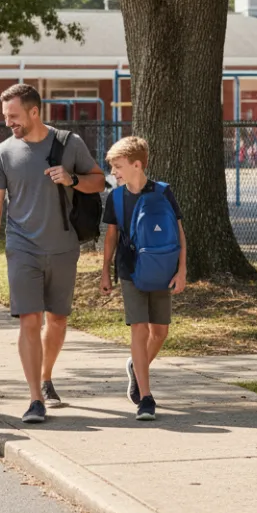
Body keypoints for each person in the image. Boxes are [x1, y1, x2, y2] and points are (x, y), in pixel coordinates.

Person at [0, 84, 106, 424]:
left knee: (58, 320)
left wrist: (72, 178)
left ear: (34, 112)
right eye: (6, 116)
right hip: (22, 248)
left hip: (64, 247)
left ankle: (46, 376)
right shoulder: (4, 153)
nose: (9, 123)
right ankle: (35, 398)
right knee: (30, 319)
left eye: (14, 116)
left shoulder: (69, 143)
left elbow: (99, 180)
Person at [100, 136, 187, 421]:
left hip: (162, 270)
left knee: (160, 332)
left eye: (118, 166)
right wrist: (105, 271)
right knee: (138, 328)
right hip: (130, 270)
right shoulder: (115, 197)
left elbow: (179, 232)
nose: (114, 172)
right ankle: (146, 398)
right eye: (112, 167)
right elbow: (111, 236)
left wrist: (182, 270)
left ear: (137, 165)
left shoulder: (163, 192)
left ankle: (135, 368)